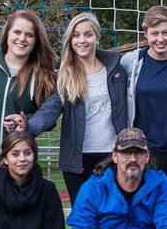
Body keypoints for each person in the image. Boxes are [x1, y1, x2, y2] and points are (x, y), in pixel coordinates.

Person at [0, 10, 60, 206]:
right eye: (17, 32)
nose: (22, 38)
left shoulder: (44, 75)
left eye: (29, 34)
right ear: (7, 33)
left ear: (36, 40)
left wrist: (27, 122)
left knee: (17, 228)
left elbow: (48, 117)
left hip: (19, 164)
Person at [121, 5, 167, 213]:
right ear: (146, 34)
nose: (160, 38)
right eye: (154, 33)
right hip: (144, 153)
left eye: (166, 32)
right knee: (143, 211)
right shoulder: (132, 62)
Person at [53, 12, 128, 203]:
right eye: (76, 35)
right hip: (78, 158)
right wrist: (28, 126)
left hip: (112, 156)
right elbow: (49, 109)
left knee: (112, 215)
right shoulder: (64, 75)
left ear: (97, 37)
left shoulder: (117, 70)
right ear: (70, 40)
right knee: (83, 218)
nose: (82, 40)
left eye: (88, 34)